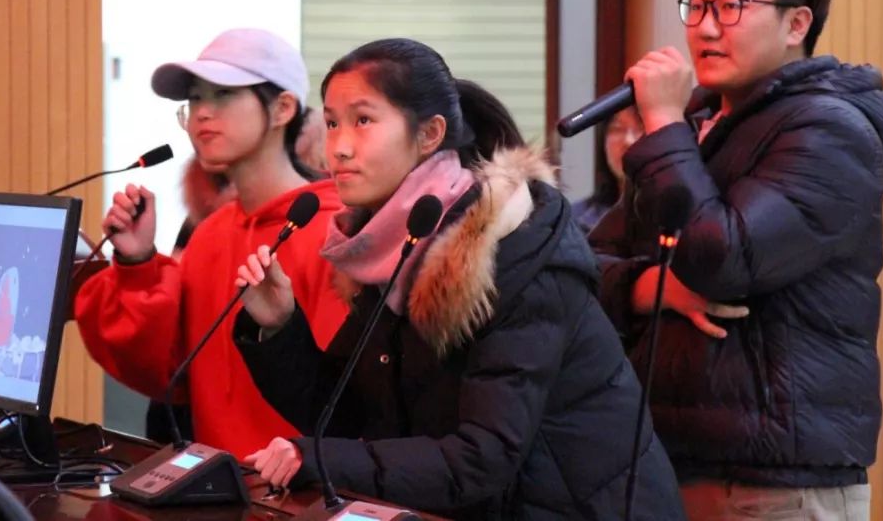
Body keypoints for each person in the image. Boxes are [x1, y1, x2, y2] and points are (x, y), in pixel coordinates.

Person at [229, 38, 684, 519]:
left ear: (429, 134)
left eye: (363, 121)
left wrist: (322, 459)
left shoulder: (512, 250)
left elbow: (482, 457)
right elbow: (344, 415)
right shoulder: (392, 245)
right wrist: (279, 327)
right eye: (332, 123)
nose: (338, 149)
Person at [589, 0, 883, 519]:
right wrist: (651, 287)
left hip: (776, 481)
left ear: (797, 24)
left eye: (731, 7)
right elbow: (589, 264)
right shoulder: (700, 129)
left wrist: (663, 125)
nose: (705, 27)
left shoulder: (830, 129)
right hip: (668, 463)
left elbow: (721, 259)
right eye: (698, 6)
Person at [74, 28, 349, 458]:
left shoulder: (334, 235)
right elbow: (166, 372)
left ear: (282, 108)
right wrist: (138, 262)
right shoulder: (209, 234)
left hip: (302, 486)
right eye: (195, 98)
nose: (202, 113)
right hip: (211, 482)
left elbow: (345, 405)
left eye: (223, 94)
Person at [571, 106, 645, 233]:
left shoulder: (678, 218)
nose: (628, 140)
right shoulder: (575, 220)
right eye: (617, 129)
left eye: (641, 128)